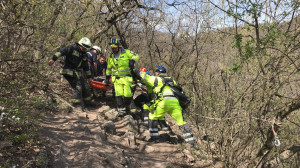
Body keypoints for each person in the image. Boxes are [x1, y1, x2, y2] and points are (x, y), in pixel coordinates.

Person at [132, 65, 197, 147]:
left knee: (152, 117)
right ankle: (192, 142)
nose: (155, 73)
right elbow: (180, 91)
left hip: (163, 103)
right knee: (181, 122)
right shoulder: (172, 80)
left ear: (158, 72)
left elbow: (145, 77)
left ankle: (154, 138)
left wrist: (134, 69)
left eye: (156, 72)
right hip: (175, 104)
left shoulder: (157, 79)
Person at [48, 37, 96, 111]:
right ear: (80, 45)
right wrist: (53, 59)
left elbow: (86, 67)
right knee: (78, 86)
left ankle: (88, 103)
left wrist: (89, 77)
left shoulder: (84, 55)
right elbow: (61, 52)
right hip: (67, 70)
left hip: (76, 72)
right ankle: (76, 105)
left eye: (86, 48)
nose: (85, 50)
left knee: (86, 86)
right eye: (84, 48)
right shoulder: (72, 48)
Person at [104, 37, 139, 116]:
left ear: (118, 46)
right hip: (117, 79)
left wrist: (133, 60)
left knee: (127, 95)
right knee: (118, 94)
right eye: (112, 48)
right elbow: (109, 68)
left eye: (115, 48)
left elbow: (136, 56)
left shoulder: (126, 52)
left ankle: (127, 107)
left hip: (126, 78)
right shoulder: (111, 57)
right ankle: (121, 111)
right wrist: (107, 76)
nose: (113, 49)